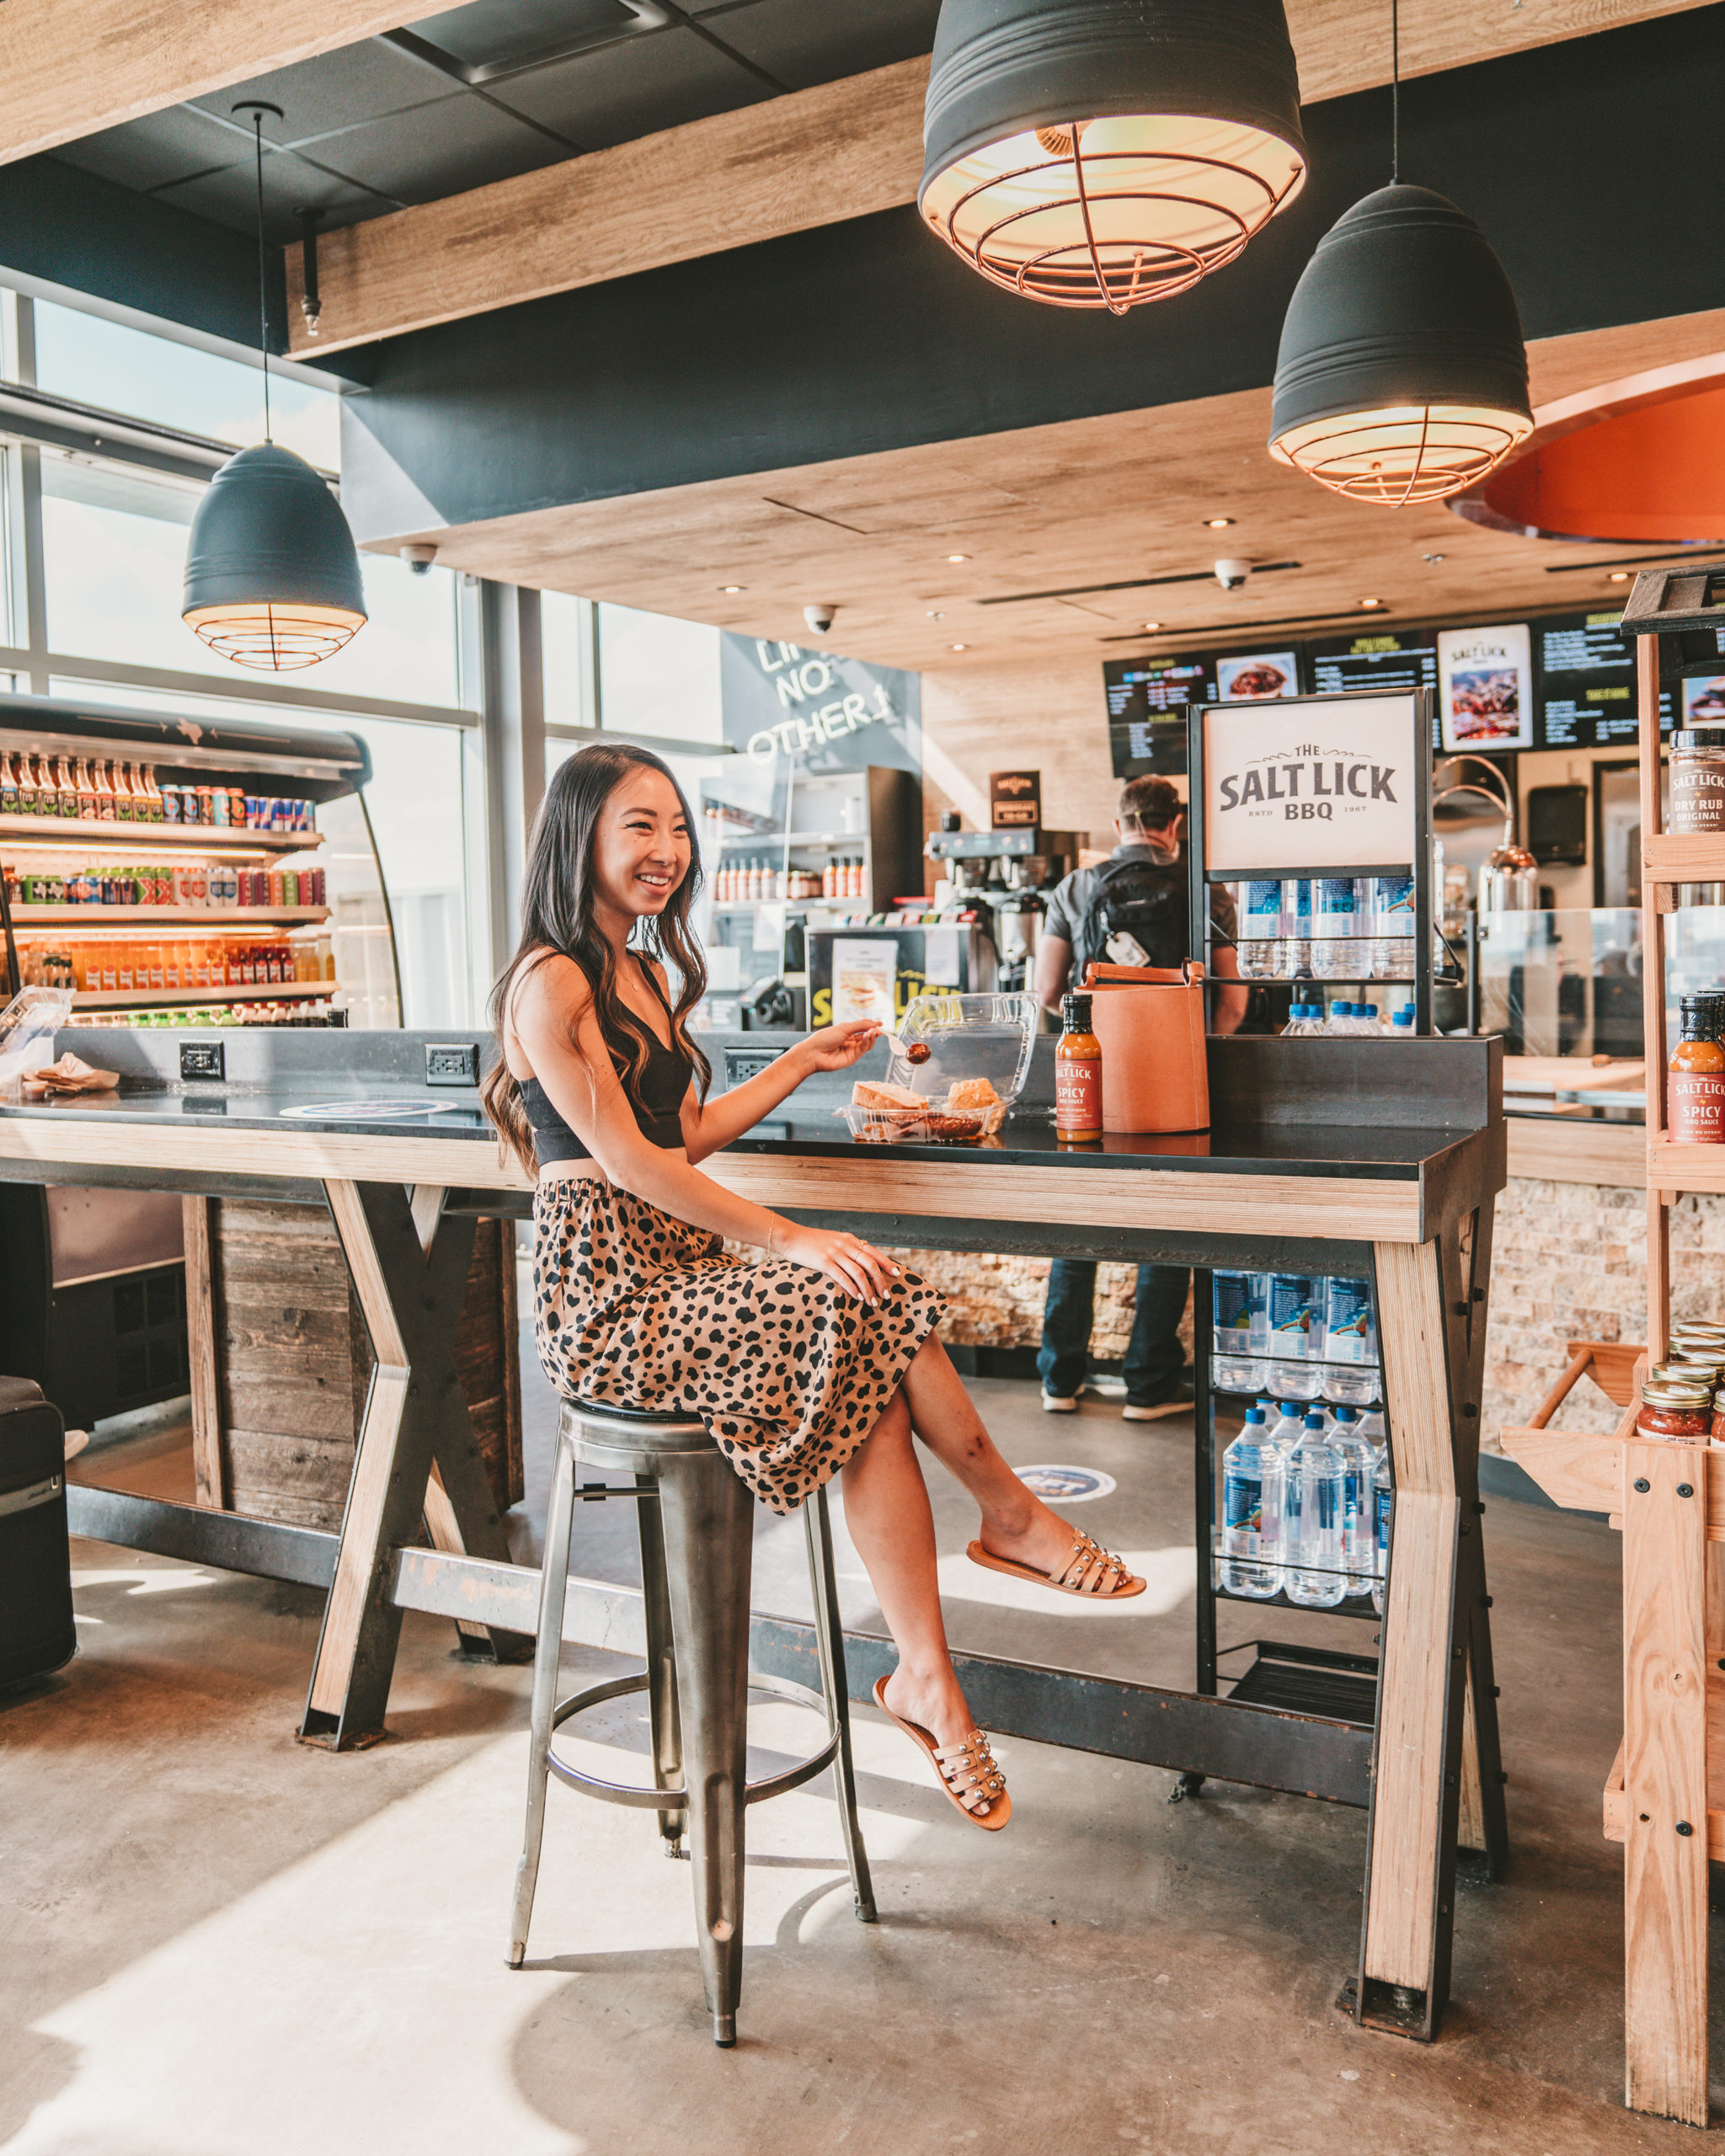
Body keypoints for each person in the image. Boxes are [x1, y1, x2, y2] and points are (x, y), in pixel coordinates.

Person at [484, 742, 1145, 1835]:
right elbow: (633, 1166)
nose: (666, 851)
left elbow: (683, 1132)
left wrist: (798, 1063)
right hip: (608, 1302)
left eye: (678, 828)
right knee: (863, 1293)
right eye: (638, 827)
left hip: (683, 1279)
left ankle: (927, 1677)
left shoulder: (641, 971)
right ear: (580, 839)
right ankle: (1009, 1516)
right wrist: (792, 1240)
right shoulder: (551, 978)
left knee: (870, 1368)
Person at [1032, 773, 1248, 1420]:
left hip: (1088, 1078)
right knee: (1168, 1222)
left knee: (1078, 1224)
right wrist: (1187, 1045)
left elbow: (1046, 991)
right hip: (1176, 1086)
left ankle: (1059, 1380)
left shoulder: (1073, 888)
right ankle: (1149, 1384)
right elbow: (1234, 998)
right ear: (1175, 824)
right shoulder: (1207, 892)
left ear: (1120, 820)